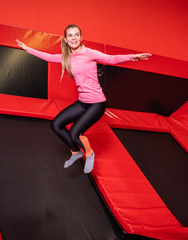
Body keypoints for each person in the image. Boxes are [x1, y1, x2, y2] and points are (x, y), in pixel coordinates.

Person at [16, 24, 151, 173]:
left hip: (97, 103)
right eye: (70, 35)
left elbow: (110, 59)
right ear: (66, 40)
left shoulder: (89, 53)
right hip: (82, 102)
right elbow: (48, 57)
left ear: (81, 37)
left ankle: (89, 153)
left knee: (75, 133)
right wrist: (27, 49)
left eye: (76, 35)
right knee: (56, 125)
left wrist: (132, 57)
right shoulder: (67, 57)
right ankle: (75, 152)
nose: (73, 38)